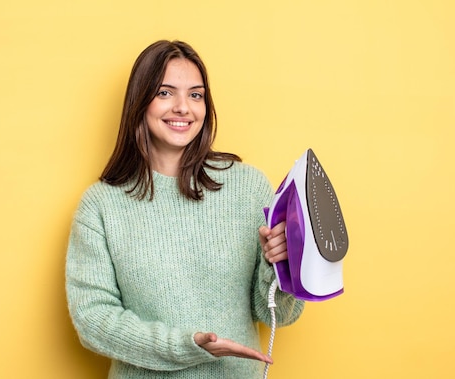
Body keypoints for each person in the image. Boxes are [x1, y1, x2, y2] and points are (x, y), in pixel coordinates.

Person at [65, 40, 305, 379]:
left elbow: (278, 315)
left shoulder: (249, 187)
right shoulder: (101, 205)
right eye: (165, 93)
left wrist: (279, 267)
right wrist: (186, 345)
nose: (183, 107)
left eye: (195, 95)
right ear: (139, 102)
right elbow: (93, 320)